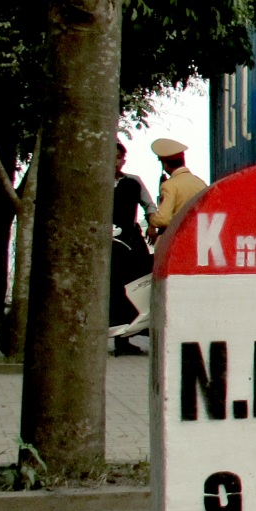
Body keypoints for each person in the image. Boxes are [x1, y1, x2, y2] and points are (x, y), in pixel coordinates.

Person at [109, 142, 155, 355]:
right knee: (113, 290)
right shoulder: (97, 182)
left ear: (123, 160)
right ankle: (116, 334)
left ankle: (127, 337)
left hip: (130, 243)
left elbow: (149, 206)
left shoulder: (133, 182)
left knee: (136, 288)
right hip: (107, 244)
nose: (115, 162)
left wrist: (153, 223)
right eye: (111, 157)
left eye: (118, 158)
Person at [148, 138, 207, 239]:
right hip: (197, 237)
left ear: (164, 164)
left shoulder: (169, 185)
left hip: (176, 238)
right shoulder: (200, 182)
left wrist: (151, 219)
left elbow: (163, 219)